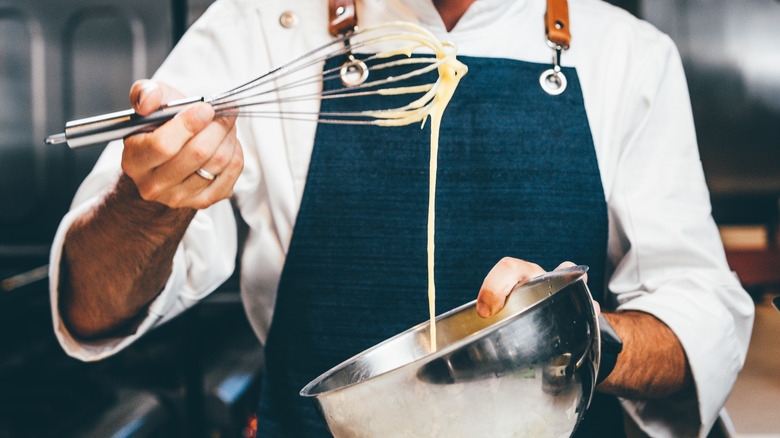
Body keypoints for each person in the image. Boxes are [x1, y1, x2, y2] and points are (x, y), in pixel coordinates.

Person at [49, 0, 755, 436]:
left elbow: (701, 313)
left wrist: (585, 338)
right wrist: (148, 203)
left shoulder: (626, 54)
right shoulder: (259, 28)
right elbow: (93, 304)